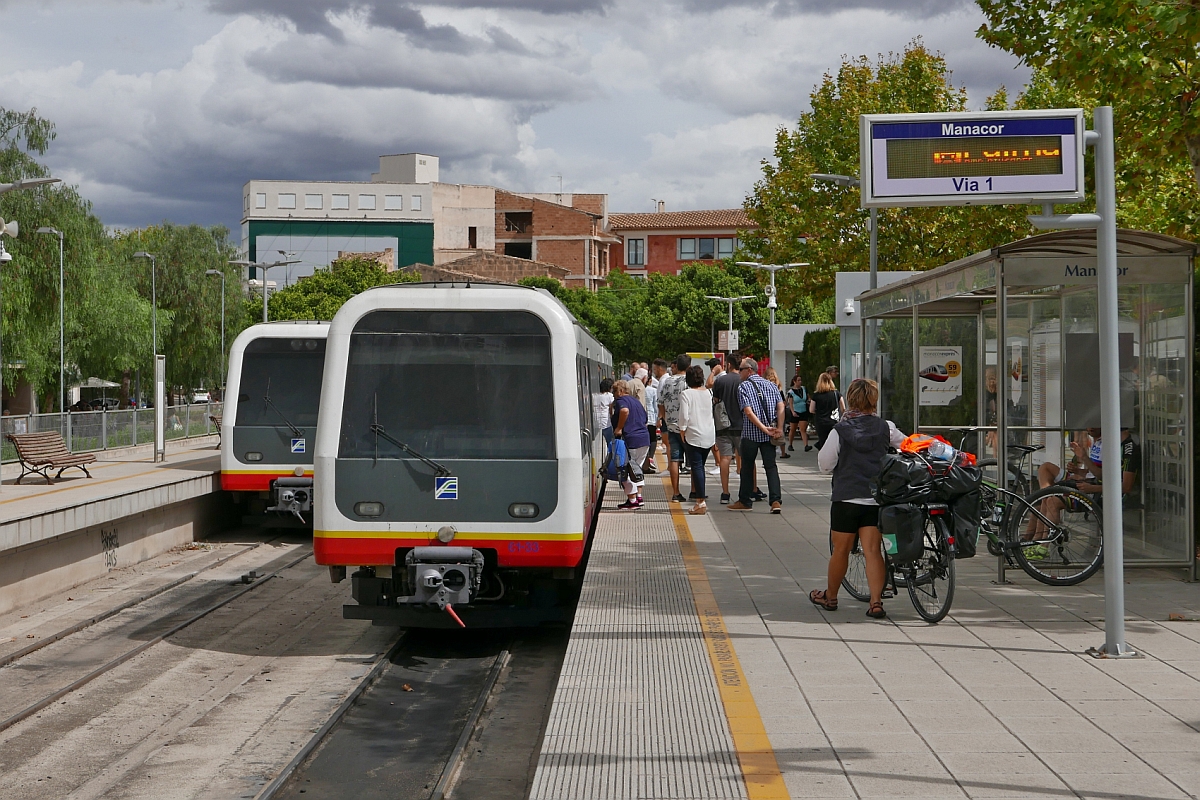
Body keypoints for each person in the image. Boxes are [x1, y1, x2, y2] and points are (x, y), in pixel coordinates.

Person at [812, 378, 906, 619]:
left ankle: (830, 597)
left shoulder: (840, 430)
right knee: (873, 550)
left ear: (851, 399)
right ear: (874, 400)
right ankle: (876, 603)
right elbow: (906, 445)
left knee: (840, 551)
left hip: (846, 498)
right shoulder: (887, 427)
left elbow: (824, 464)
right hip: (875, 499)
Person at [728, 358, 785, 513]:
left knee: (746, 467)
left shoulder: (744, 387)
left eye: (741, 369)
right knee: (771, 466)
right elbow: (781, 406)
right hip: (770, 435)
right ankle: (775, 501)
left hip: (751, 434)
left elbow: (748, 411)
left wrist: (762, 428)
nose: (739, 372)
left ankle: (745, 501)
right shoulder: (771, 385)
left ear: (749, 370)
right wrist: (778, 428)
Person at [678, 365, 717, 515]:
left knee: (697, 467)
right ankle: (700, 499)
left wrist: (682, 430)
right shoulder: (708, 392)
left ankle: (700, 502)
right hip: (708, 434)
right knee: (700, 467)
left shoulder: (686, 394)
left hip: (693, 434)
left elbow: (684, 416)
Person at [612, 380, 650, 510]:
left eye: (614, 391)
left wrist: (619, 428)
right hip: (644, 439)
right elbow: (645, 418)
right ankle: (639, 497)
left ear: (620, 391)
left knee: (626, 470)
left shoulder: (621, 401)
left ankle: (632, 500)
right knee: (637, 469)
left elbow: (624, 411)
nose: (613, 395)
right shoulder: (636, 402)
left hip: (631, 440)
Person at [658, 355, 691, 502]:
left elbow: (660, 402)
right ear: (688, 366)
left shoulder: (667, 381)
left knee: (674, 460)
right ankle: (695, 491)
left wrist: (665, 418)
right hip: (688, 428)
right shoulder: (690, 381)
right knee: (694, 460)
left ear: (676, 365)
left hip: (672, 426)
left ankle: (676, 493)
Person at [809, 371, 845, 451]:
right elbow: (843, 408)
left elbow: (811, 410)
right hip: (833, 422)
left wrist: (819, 411)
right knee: (834, 443)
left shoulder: (816, 395)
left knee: (823, 442)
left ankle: (824, 459)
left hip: (821, 422)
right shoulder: (836, 393)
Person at [636, 367, 658, 473]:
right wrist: (659, 418)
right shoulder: (653, 390)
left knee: (643, 442)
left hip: (641, 420)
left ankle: (643, 462)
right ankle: (650, 460)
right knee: (652, 440)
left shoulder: (640, 389)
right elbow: (655, 406)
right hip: (652, 419)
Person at [764, 367, 789, 459]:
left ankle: (770, 453)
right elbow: (783, 403)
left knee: (769, 434)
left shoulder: (764, 387)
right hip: (780, 413)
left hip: (770, 414)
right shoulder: (778, 388)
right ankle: (782, 452)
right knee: (780, 431)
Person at [787, 373, 810, 452]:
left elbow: (808, 397)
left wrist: (809, 401)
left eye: (800, 380)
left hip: (803, 410)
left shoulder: (804, 389)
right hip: (795, 411)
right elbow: (790, 403)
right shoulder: (791, 392)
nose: (800, 382)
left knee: (803, 429)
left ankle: (806, 445)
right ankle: (790, 444)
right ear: (794, 381)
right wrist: (793, 411)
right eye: (798, 380)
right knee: (793, 429)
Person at [593, 378, 614, 445]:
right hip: (606, 423)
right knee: (610, 442)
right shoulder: (610, 396)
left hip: (596, 423)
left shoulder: (594, 396)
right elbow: (611, 410)